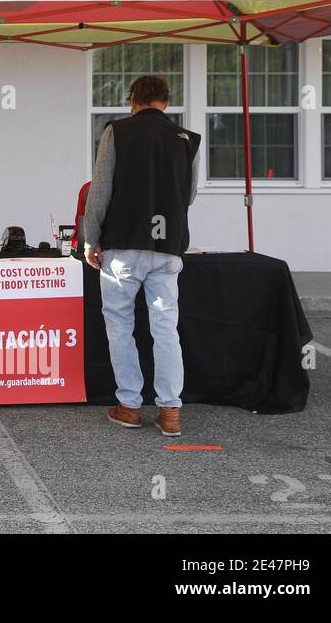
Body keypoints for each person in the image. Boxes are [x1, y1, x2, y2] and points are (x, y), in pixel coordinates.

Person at [81, 75, 200, 437]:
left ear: (133, 100)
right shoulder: (187, 140)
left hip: (123, 245)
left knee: (120, 325)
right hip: (167, 247)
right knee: (165, 329)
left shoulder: (117, 131)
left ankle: (130, 406)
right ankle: (170, 412)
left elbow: (100, 190)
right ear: (166, 101)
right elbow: (189, 196)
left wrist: (91, 238)